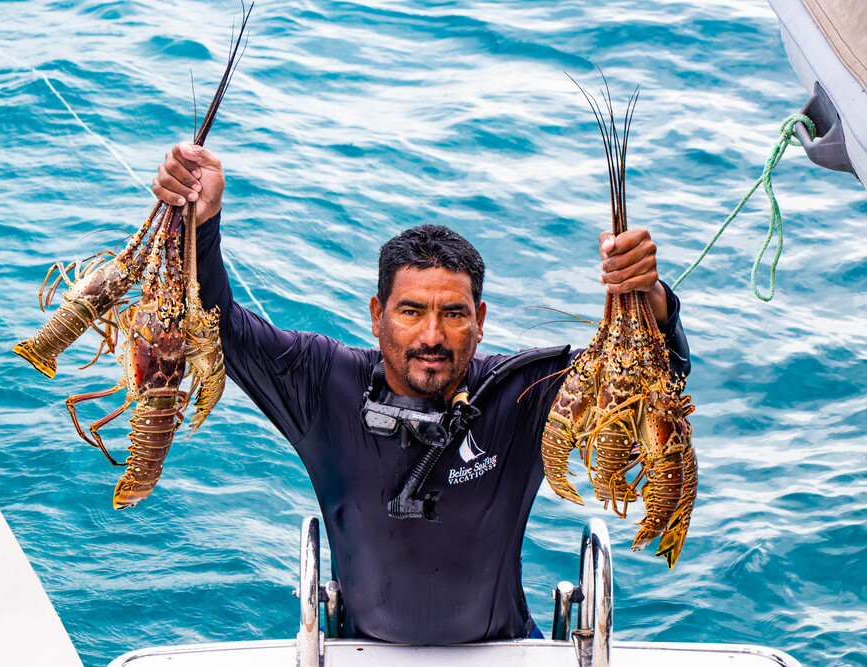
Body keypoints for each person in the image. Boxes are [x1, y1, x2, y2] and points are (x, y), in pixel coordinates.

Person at [152, 142, 690, 644]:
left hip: (502, 650)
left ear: (479, 321)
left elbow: (644, 378)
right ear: (376, 315)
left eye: (453, 314)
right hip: (361, 652)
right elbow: (218, 324)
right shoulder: (321, 383)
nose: (431, 336)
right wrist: (201, 224)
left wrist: (651, 300)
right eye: (411, 311)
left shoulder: (526, 392)